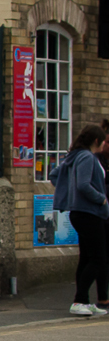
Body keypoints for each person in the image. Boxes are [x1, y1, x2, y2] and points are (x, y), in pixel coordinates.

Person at [50, 124, 108, 316]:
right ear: (97, 141)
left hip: (81, 212)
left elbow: (54, 175)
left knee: (86, 258)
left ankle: (83, 300)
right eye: (104, 140)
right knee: (99, 259)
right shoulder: (87, 157)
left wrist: (69, 193)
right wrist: (101, 198)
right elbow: (84, 184)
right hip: (89, 213)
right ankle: (78, 301)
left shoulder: (74, 156)